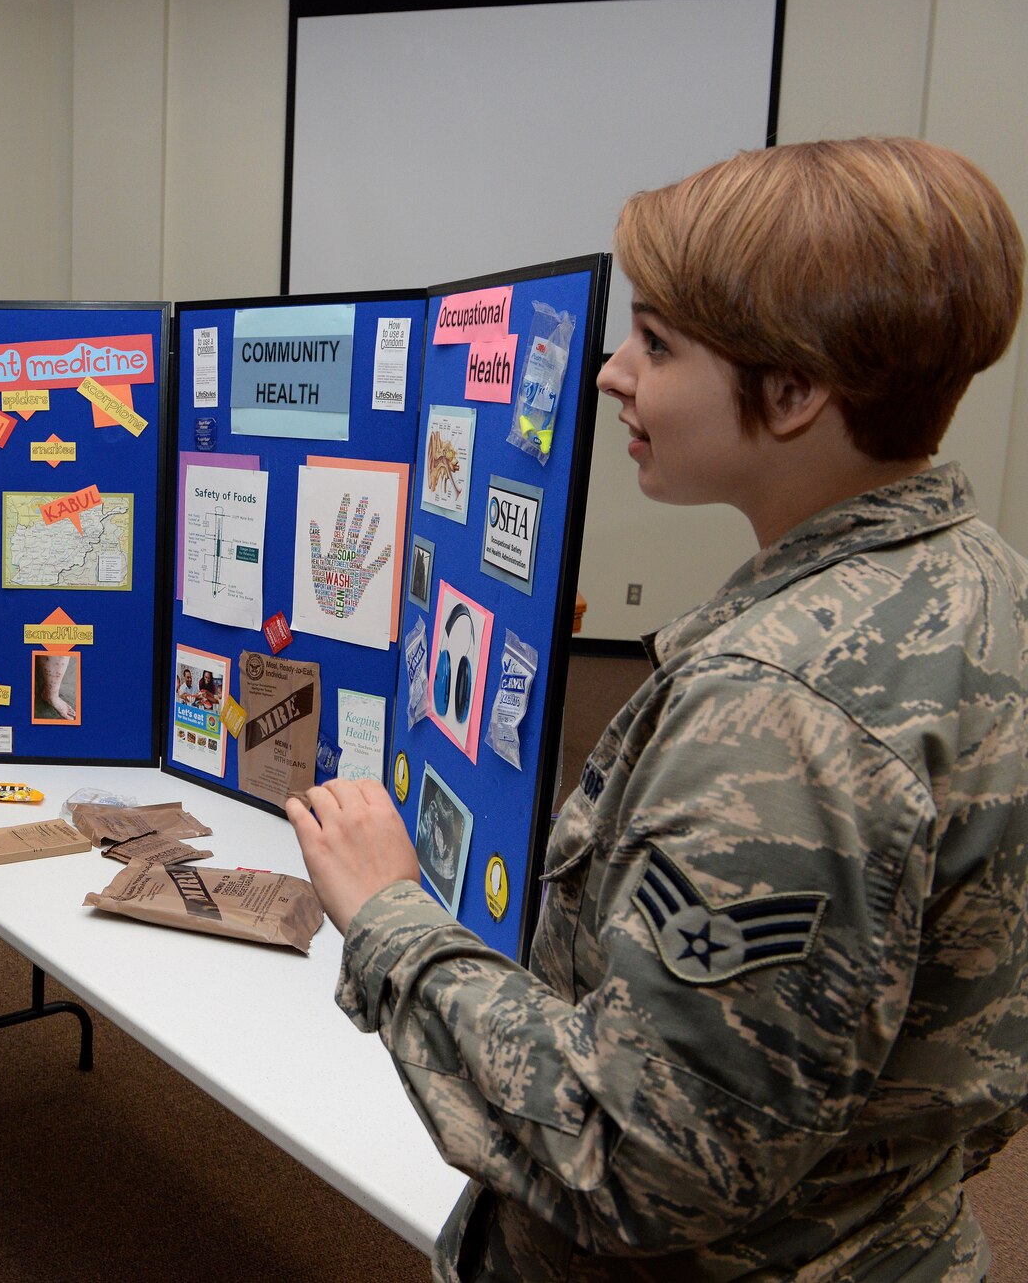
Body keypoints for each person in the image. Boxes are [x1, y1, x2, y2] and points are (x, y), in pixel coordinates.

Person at [285, 138, 1027, 1281]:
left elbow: (637, 1157)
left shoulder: (780, 715)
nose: (608, 372)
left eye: (658, 342)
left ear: (793, 392)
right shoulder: (983, 582)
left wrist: (389, 919)